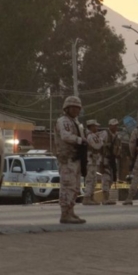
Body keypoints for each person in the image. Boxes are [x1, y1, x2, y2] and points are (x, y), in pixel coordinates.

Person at [55, 96, 87, 224]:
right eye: (73, 108)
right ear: (67, 108)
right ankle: (65, 213)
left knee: (75, 186)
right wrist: (80, 140)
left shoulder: (76, 123)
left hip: (75, 157)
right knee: (67, 185)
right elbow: (66, 136)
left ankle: (71, 210)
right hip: (67, 157)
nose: (75, 110)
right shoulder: (64, 121)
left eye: (77, 108)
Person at [99, 119, 121, 205]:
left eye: (116, 125)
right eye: (114, 125)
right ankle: (105, 198)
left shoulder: (117, 135)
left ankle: (107, 197)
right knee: (106, 178)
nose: (116, 127)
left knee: (112, 178)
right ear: (110, 126)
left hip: (113, 159)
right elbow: (99, 145)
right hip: (105, 158)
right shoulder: (105, 134)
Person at [82, 119, 105, 206]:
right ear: (91, 127)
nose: (97, 128)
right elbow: (98, 145)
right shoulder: (90, 136)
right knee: (90, 180)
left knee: (94, 180)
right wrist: (100, 139)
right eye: (95, 126)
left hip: (94, 160)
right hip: (90, 161)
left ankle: (91, 197)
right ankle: (87, 197)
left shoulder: (93, 135)